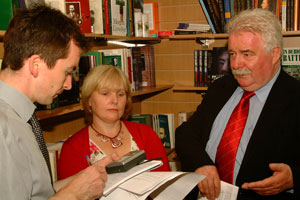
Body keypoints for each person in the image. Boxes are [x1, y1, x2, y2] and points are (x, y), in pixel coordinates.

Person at [175, 8, 300, 200]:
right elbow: (186, 133)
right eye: (232, 53)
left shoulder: (294, 97)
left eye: (247, 54)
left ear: (274, 54)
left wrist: (294, 177)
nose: (236, 64)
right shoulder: (221, 87)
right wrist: (201, 163)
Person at [0, 5, 120, 200]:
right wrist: (73, 195)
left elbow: (34, 193)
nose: (68, 84)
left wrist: (82, 180)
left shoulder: (20, 116)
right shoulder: (3, 125)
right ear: (35, 65)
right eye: (66, 72)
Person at [57, 65, 170, 180]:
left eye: (120, 94)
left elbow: (165, 186)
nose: (115, 100)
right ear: (89, 100)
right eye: (105, 93)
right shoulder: (72, 148)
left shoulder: (146, 134)